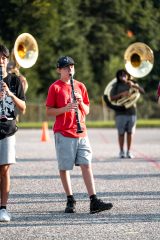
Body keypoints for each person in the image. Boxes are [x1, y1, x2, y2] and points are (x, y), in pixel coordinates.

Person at [46, 56, 113, 214]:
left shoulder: (80, 86)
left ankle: (93, 200)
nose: (70, 69)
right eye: (66, 67)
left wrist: (81, 102)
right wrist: (66, 108)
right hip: (64, 131)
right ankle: (70, 199)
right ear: (59, 70)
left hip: (81, 131)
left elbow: (87, 111)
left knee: (86, 164)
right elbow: (49, 111)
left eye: (71, 67)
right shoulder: (54, 88)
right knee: (64, 167)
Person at [0, 44, 26, 222]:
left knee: (5, 168)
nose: (0, 60)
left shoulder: (15, 81)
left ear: (7, 60)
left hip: (8, 130)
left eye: (3, 57)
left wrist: (10, 94)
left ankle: (3, 208)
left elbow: (23, 108)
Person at [110, 69, 145, 159]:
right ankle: (121, 151)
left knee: (130, 133)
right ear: (118, 76)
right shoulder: (116, 85)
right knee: (121, 133)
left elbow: (142, 92)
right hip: (120, 112)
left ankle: (129, 151)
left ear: (128, 75)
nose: (123, 76)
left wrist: (134, 86)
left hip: (132, 112)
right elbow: (111, 97)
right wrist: (122, 94)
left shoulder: (132, 83)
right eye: (121, 75)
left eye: (125, 74)